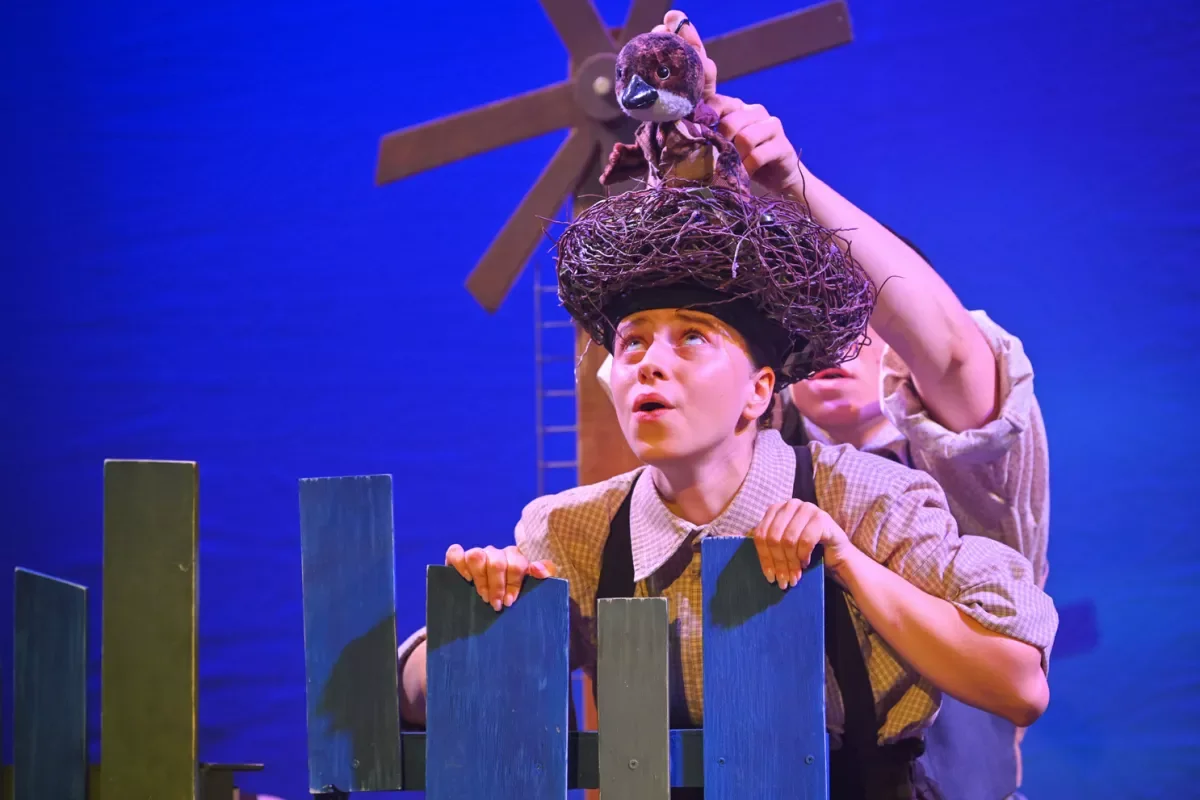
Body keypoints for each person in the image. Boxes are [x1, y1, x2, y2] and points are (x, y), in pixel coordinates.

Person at [396, 23, 1058, 795]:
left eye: (865, 327)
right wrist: (490, 621)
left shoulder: (925, 482)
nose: (653, 362)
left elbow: (950, 356)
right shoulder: (678, 475)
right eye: (637, 343)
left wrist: (788, 181)